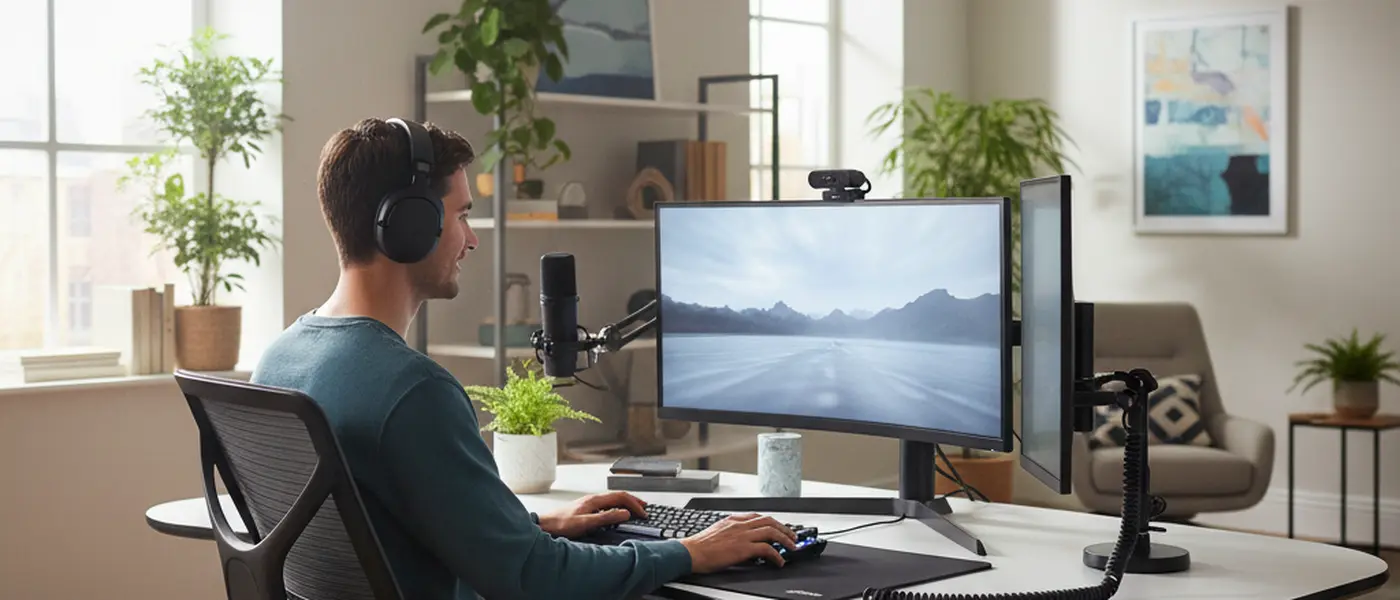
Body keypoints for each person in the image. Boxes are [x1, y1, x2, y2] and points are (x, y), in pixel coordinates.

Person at [251, 117, 798, 600]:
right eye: (462, 215)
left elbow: (385, 528)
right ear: (409, 225)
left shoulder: (277, 363)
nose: (471, 240)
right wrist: (690, 550)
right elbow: (533, 580)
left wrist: (530, 526)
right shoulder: (412, 391)